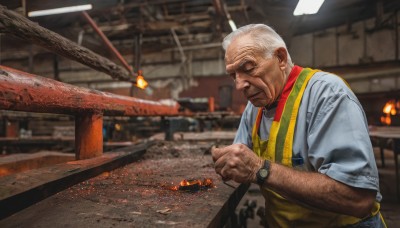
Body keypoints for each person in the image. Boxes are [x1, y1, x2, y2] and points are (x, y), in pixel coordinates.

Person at [211, 24, 386, 227]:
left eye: (248, 68)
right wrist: (229, 162)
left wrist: (260, 169)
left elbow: (358, 198)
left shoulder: (327, 95)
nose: (240, 85)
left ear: (281, 59)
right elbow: (241, 163)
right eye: (234, 76)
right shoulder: (255, 107)